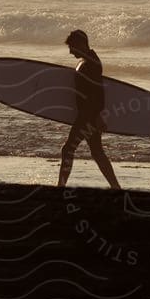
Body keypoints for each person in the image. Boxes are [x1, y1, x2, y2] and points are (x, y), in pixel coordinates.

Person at [58, 28, 121, 189]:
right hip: (88, 115)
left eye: (72, 47)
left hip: (87, 116)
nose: (70, 51)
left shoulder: (91, 63)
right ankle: (116, 187)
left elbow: (98, 92)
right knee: (97, 153)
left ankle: (61, 186)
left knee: (68, 149)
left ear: (80, 44)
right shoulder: (86, 61)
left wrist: (98, 116)